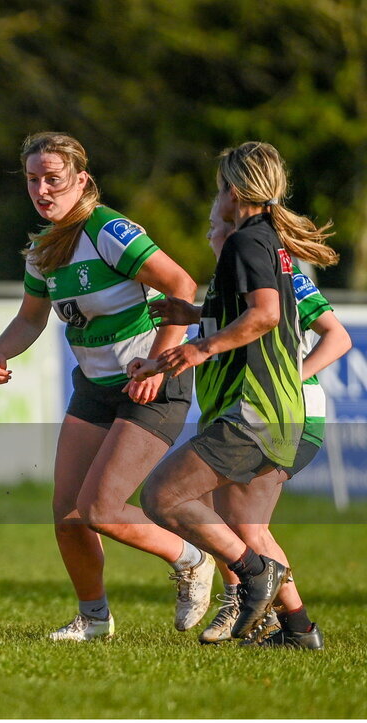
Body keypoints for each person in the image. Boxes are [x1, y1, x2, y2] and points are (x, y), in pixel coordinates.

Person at [0, 131, 211, 642]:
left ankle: (192, 559)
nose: (42, 189)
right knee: (68, 516)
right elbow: (30, 320)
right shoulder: (42, 250)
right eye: (33, 180)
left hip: (151, 384)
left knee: (102, 509)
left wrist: (156, 366)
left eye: (53, 179)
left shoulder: (108, 230)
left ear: (81, 180)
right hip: (94, 388)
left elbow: (182, 287)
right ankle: (94, 619)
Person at [136, 141, 339, 645]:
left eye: (219, 187)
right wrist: (193, 321)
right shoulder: (268, 241)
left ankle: (253, 576)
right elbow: (258, 321)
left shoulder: (248, 242)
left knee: (162, 496)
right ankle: (297, 629)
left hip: (256, 410)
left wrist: (201, 346)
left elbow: (266, 315)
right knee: (245, 525)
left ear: (232, 189)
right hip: (276, 410)